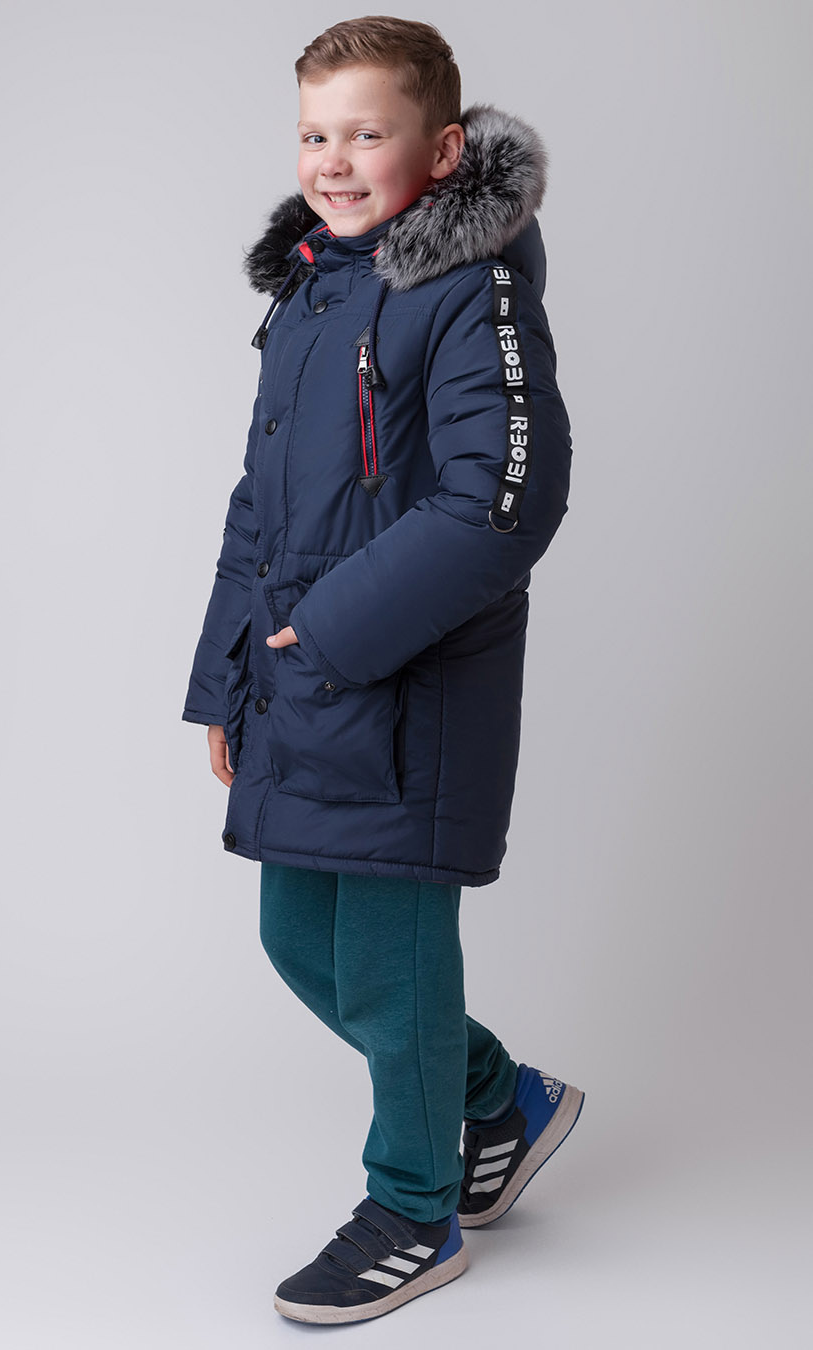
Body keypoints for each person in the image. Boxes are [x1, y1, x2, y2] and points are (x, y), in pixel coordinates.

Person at [182, 15, 583, 1325]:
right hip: (303, 677)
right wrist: (228, 675)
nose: (336, 161)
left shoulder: (472, 288)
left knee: (391, 964)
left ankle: (416, 1208)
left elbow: (504, 498)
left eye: (368, 133)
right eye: (316, 134)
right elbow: (261, 501)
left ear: (443, 149)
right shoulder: (313, 287)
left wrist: (339, 629)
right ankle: (498, 1098)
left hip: (413, 686)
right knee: (297, 936)